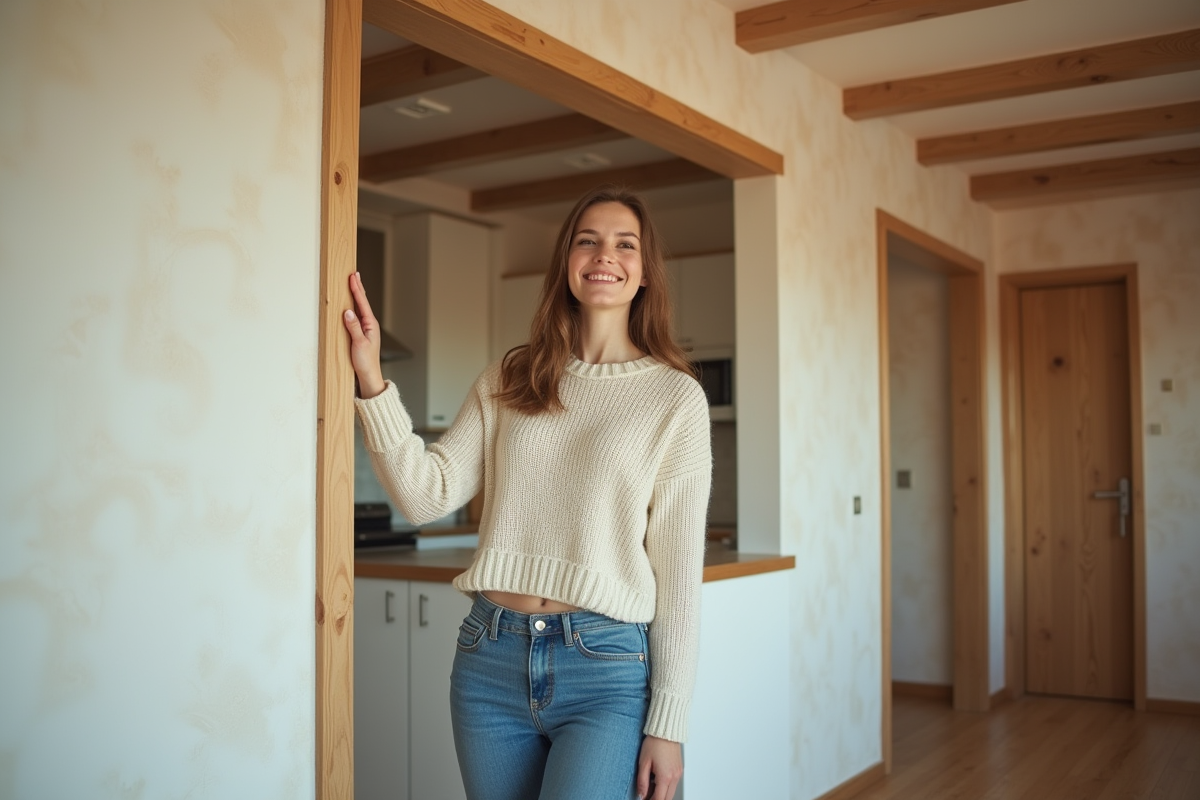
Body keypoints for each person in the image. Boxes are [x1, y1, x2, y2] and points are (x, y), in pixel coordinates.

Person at [343, 185, 712, 800]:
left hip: (606, 671)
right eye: (587, 240)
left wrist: (668, 724)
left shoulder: (674, 399)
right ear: (566, 260)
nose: (605, 255)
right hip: (489, 660)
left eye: (626, 245)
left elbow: (677, 575)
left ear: (645, 273)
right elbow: (426, 496)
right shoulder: (509, 378)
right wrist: (371, 378)